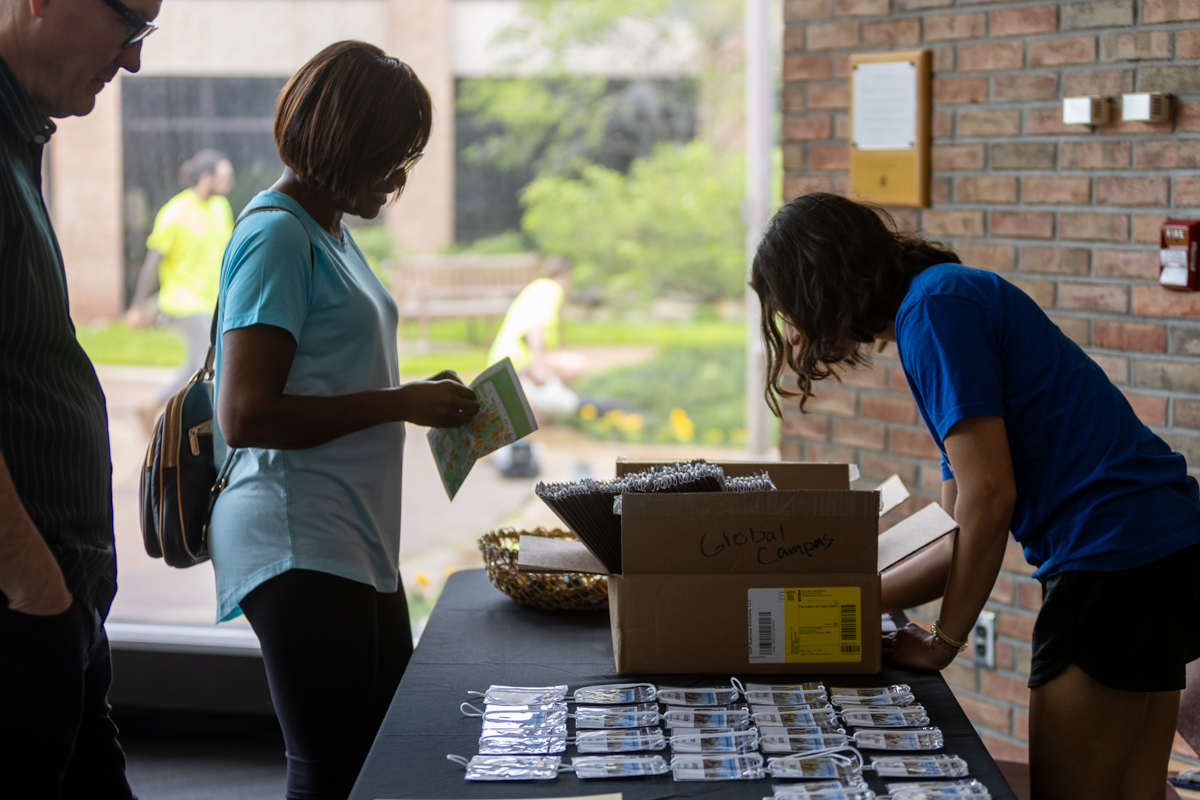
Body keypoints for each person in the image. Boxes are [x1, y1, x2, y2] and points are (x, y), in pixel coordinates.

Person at [751, 192, 1200, 800]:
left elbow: (990, 499)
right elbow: (954, 525)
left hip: (1112, 558)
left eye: (790, 309)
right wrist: (846, 600)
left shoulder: (934, 310)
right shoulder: (937, 300)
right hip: (1161, 543)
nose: (793, 330)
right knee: (1133, 792)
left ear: (820, 285)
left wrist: (944, 641)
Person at [208, 41, 479, 800]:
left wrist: (417, 395)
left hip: (348, 535)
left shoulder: (328, 227)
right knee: (332, 769)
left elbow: (330, 369)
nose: (399, 180)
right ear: (343, 145)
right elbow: (245, 414)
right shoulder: (278, 234)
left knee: (379, 757)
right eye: (390, 158)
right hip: (297, 533)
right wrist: (400, 403)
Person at [0, 0, 161, 796]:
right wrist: (36, 587)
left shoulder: (19, 133)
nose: (133, 59)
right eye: (130, 23)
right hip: (24, 603)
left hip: (57, 599)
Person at [126, 148, 235, 425]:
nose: (228, 181)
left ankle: (151, 406)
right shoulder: (174, 212)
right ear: (206, 177)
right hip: (184, 302)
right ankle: (204, 430)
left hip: (211, 302)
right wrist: (138, 305)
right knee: (212, 366)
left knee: (197, 363)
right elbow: (152, 262)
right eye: (223, 175)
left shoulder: (221, 208)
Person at [487, 257, 581, 476]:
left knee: (558, 378)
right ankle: (540, 407)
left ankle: (530, 415)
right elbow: (535, 326)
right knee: (575, 365)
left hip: (503, 363)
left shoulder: (534, 289)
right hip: (519, 363)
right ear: (565, 277)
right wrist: (538, 365)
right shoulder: (550, 288)